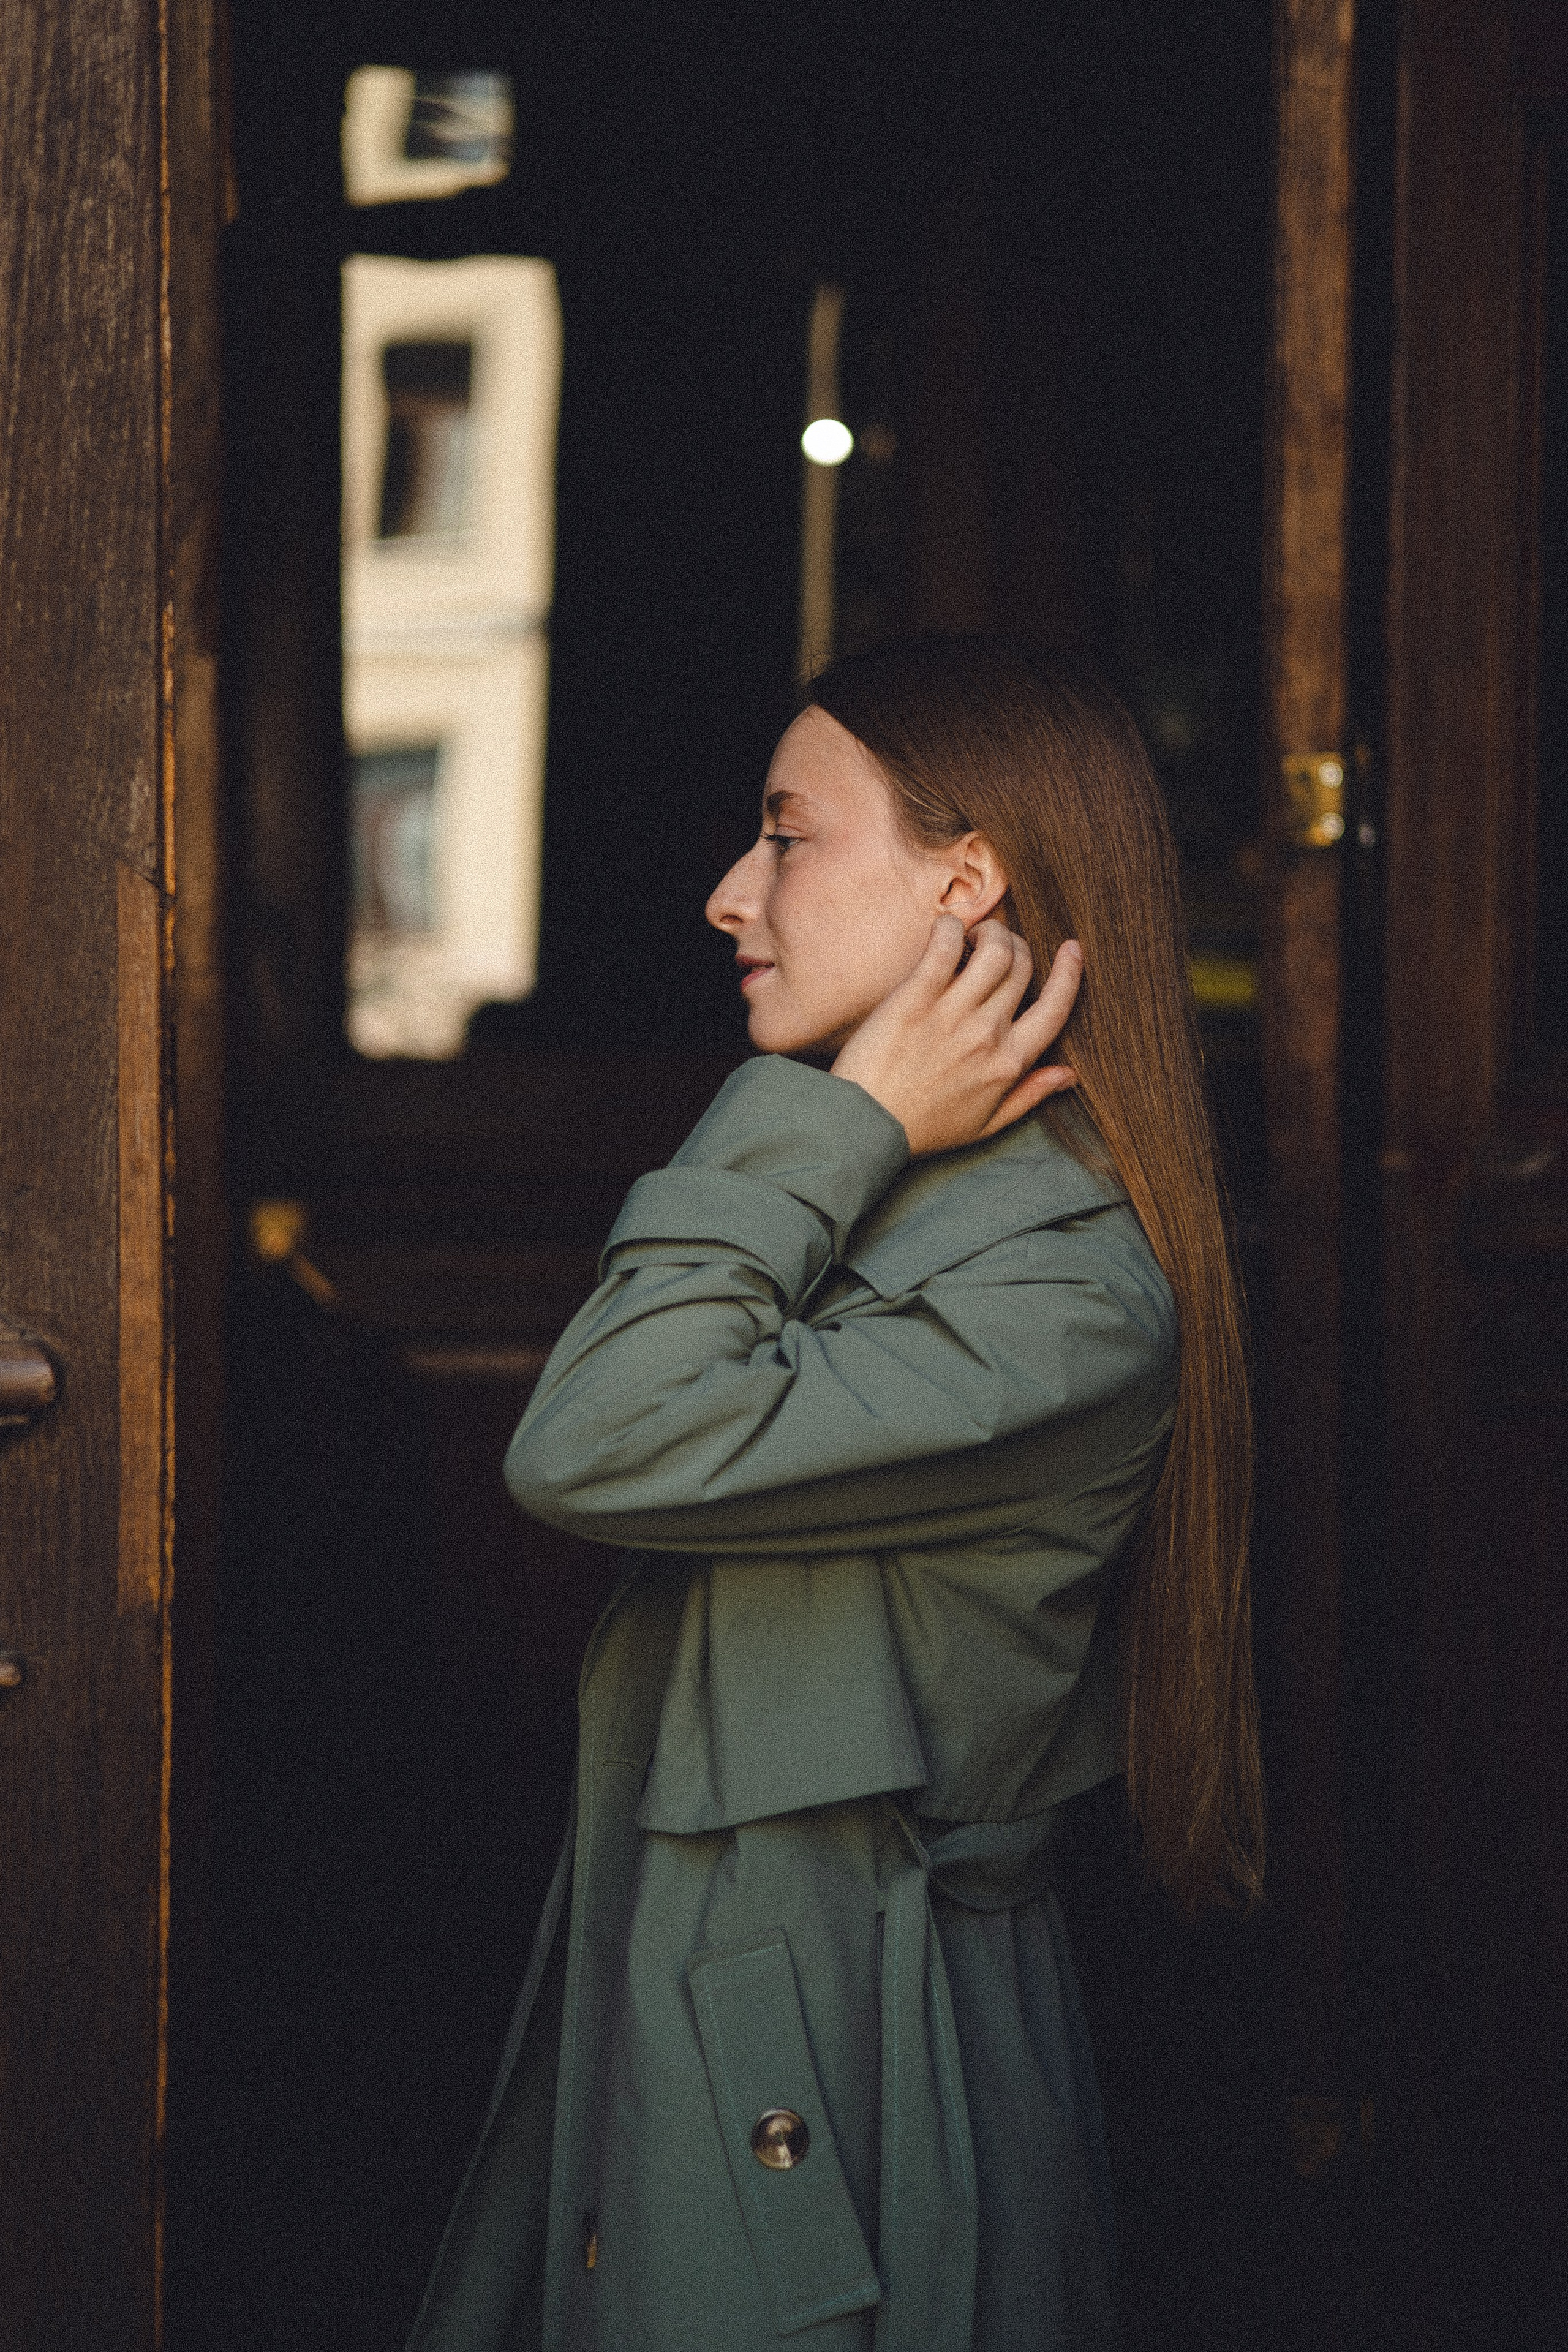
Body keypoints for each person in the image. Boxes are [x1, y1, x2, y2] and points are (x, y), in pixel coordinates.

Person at [407, 635, 1264, 2352]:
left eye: (788, 836)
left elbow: (591, 1438)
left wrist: (843, 1116)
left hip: (838, 2115)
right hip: (701, 2051)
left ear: (968, 882)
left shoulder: (1059, 1296)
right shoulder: (870, 1203)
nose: (734, 896)